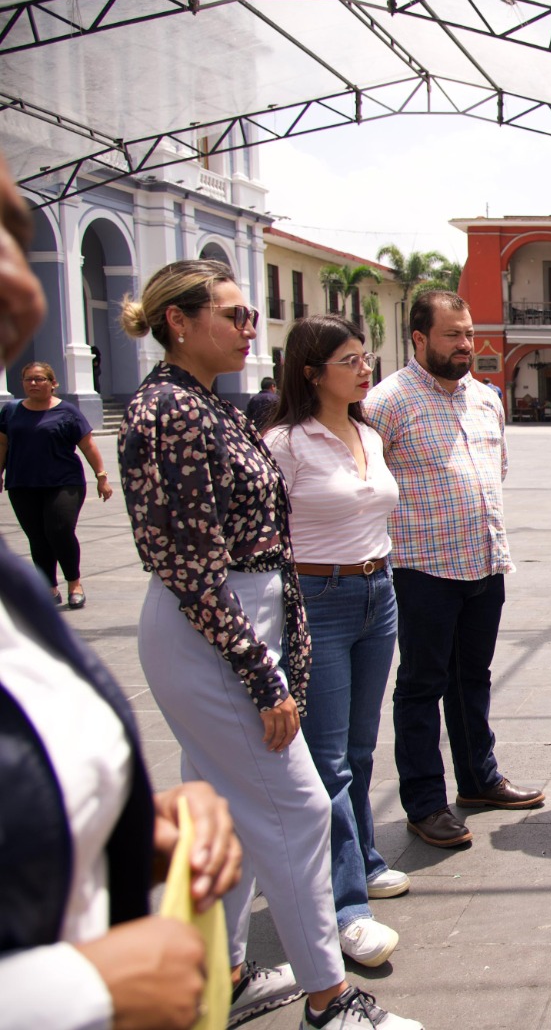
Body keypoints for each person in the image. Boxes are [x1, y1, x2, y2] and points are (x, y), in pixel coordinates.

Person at [118, 260, 422, 1028]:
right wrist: (263, 676)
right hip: (214, 630)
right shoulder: (171, 411)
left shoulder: (205, 403)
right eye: (233, 314)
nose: (250, 326)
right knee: (299, 806)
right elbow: (189, 569)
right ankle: (330, 999)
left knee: (223, 812)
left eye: (251, 313)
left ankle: (222, 977)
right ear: (178, 321)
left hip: (239, 621)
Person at [0, 149, 244, 1030]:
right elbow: (186, 556)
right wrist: (77, 989)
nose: (21, 281)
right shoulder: (167, 408)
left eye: (16, 236)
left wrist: (126, 824)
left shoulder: (12, 589)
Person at [366, 291, 543, 850]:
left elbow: (497, 468)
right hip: (421, 568)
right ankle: (424, 802)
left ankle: (479, 779)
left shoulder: (486, 398)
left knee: (474, 677)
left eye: (468, 333)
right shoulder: (385, 403)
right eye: (453, 335)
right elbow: (366, 483)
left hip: (484, 561)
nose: (466, 344)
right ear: (419, 338)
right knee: (422, 685)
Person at [263, 315, 410, 970]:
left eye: (364, 356)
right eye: (348, 360)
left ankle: (364, 860)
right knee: (328, 759)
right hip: (316, 601)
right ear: (311, 372)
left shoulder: (368, 433)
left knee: (359, 746)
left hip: (378, 594)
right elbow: (265, 538)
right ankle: (346, 909)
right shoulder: (284, 444)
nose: (363, 367)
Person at [0, 361, 114, 608]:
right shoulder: (11, 411)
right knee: (37, 536)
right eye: (28, 379)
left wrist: (101, 476)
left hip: (64, 482)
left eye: (39, 379)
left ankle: (74, 583)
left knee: (59, 529)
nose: (33, 383)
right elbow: (3, 444)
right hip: (22, 483)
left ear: (53, 383)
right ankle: (49, 587)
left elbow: (88, 445)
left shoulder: (67, 411)